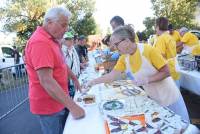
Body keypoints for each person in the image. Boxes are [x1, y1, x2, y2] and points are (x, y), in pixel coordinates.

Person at [84, 24, 190, 122]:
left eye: (116, 44)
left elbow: (166, 72)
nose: (115, 48)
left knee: (181, 126)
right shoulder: (124, 58)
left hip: (170, 96)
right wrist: (93, 82)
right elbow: (111, 76)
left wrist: (148, 80)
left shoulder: (148, 50)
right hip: (154, 98)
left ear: (126, 41)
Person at [25, 6, 85, 134]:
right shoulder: (40, 42)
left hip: (58, 101)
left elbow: (61, 64)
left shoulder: (52, 40)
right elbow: (46, 80)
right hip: (48, 106)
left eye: (67, 25)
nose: (66, 29)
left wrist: (74, 78)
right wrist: (73, 107)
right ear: (49, 22)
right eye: (63, 25)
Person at [153, 17, 180, 88]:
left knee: (170, 93)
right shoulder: (170, 37)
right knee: (176, 91)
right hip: (174, 67)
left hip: (167, 70)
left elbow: (160, 56)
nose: (155, 30)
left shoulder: (161, 38)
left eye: (155, 27)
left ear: (158, 27)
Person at [62, 32, 81, 98]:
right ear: (63, 40)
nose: (71, 40)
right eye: (68, 39)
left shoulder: (73, 49)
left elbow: (76, 61)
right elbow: (63, 67)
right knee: (72, 98)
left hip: (76, 77)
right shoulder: (61, 51)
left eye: (72, 38)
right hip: (68, 81)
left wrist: (79, 69)